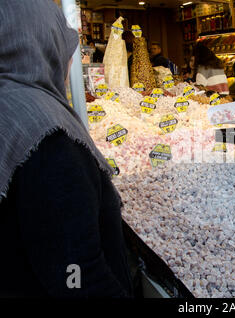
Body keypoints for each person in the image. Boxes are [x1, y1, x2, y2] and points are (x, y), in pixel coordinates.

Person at [0, 0, 133, 297]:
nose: (70, 59)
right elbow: (77, 277)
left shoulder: (8, 107)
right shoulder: (47, 137)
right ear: (44, 42)